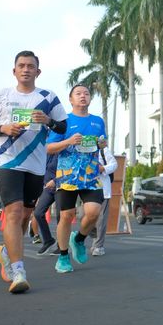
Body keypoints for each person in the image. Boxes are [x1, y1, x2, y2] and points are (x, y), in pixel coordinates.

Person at [0, 51, 67, 293]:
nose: (26, 69)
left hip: (36, 165)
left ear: (38, 71)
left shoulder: (48, 97)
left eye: (31, 66)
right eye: (21, 65)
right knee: (13, 212)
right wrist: (3, 128)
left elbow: (62, 127)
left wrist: (48, 121)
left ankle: (7, 252)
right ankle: (19, 272)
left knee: (25, 216)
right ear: (14, 70)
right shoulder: (2, 95)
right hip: (6, 161)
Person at [46, 84, 106, 273]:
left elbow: (101, 143)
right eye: (78, 93)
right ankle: (63, 257)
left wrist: (102, 144)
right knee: (66, 215)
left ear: (90, 99)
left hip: (90, 175)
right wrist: (69, 141)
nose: (83, 96)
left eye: (86, 93)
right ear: (71, 99)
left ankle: (78, 239)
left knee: (94, 212)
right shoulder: (63, 121)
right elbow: (49, 147)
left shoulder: (98, 121)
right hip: (67, 176)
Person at [90, 136, 118, 256]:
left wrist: (103, 168)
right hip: (88, 189)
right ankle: (95, 238)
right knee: (83, 215)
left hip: (103, 189)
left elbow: (114, 164)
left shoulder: (103, 150)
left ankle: (98, 246)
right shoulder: (82, 151)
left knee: (101, 220)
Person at [33, 151, 59, 254]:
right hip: (48, 188)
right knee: (38, 213)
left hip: (61, 187)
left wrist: (55, 180)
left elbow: (70, 170)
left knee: (60, 217)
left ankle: (61, 246)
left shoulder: (63, 152)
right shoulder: (45, 153)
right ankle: (48, 240)